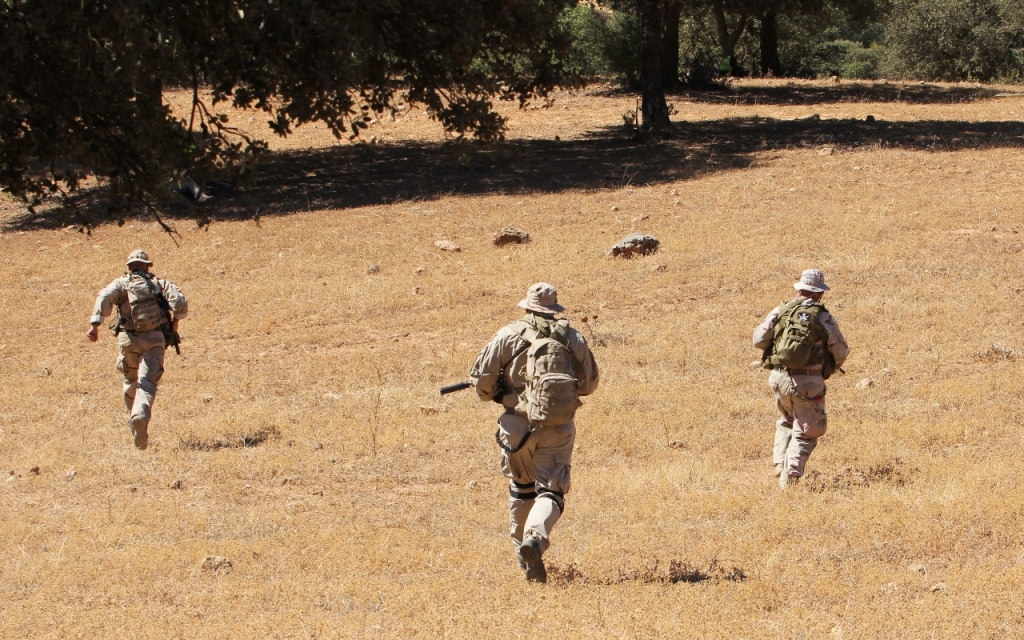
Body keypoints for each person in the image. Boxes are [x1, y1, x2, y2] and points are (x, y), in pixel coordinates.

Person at [470, 283, 598, 582]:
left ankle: (522, 558)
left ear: (527, 306)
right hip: (558, 427)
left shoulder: (507, 335)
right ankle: (535, 541)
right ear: (554, 309)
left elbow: (482, 386)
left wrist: (504, 392)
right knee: (551, 491)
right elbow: (590, 385)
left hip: (516, 426)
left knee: (521, 488)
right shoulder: (572, 337)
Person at [753, 269, 849, 489]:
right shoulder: (823, 317)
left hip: (778, 378)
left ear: (800, 288)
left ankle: (779, 463)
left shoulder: (781, 310)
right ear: (819, 293)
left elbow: (758, 340)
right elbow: (841, 352)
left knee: (787, 419)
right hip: (807, 382)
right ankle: (791, 480)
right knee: (807, 430)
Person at [87, 250, 188, 450]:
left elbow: (104, 297)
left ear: (130, 267)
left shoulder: (122, 284)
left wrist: (95, 325)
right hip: (154, 339)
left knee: (130, 379)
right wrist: (175, 324)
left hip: (128, 340)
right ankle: (140, 414)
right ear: (147, 266)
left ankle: (132, 417)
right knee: (147, 382)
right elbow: (180, 303)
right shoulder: (160, 284)